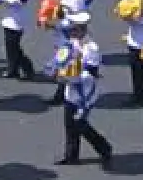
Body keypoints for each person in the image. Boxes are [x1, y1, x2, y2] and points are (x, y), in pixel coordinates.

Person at [47, 13, 114, 170]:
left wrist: (72, 77)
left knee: (80, 124)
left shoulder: (91, 48)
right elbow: (61, 60)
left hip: (85, 93)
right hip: (71, 91)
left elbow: (91, 73)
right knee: (69, 124)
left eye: (74, 29)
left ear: (82, 29)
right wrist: (56, 70)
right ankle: (71, 155)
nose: (72, 32)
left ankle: (104, 147)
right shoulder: (71, 43)